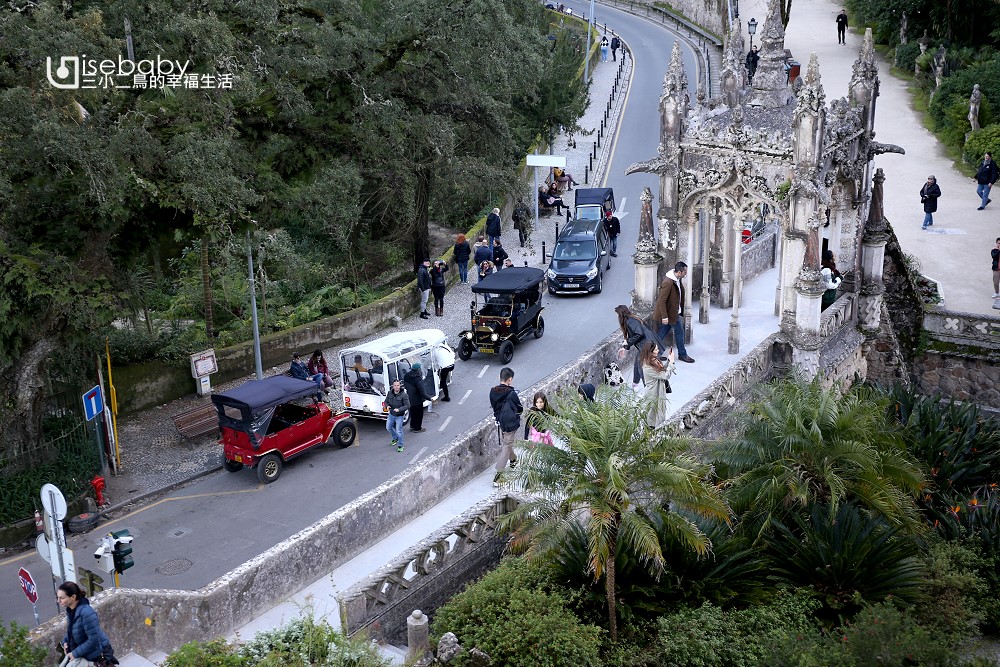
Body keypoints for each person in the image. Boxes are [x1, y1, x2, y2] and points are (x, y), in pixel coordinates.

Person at [58, 581, 117, 666]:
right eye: (58, 597)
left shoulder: (87, 613)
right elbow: (72, 631)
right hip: (86, 655)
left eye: (62, 598)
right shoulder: (71, 611)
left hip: (97, 656)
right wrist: (65, 641)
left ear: (73, 597)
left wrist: (75, 653)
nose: (58, 601)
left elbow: (94, 640)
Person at [615, 304, 670, 386]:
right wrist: (625, 347)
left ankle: (647, 387)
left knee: (642, 367)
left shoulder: (630, 321)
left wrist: (627, 343)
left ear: (620, 314)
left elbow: (639, 334)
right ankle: (635, 384)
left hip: (646, 345)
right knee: (638, 364)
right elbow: (632, 335)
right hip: (647, 343)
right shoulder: (632, 319)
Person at [654, 262, 695, 363]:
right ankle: (682, 354)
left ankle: (653, 354)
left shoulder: (676, 279)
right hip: (671, 314)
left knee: (662, 333)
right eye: (685, 272)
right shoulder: (668, 282)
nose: (686, 274)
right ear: (680, 272)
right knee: (679, 333)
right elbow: (661, 300)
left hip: (672, 313)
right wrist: (664, 317)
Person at [490, 366, 523, 486]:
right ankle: (499, 475)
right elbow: (520, 409)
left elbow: (494, 407)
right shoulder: (512, 393)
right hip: (511, 424)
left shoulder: (492, 391)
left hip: (500, 423)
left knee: (507, 444)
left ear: (499, 377)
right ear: (509, 380)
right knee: (506, 446)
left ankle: (513, 459)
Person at [640, 341, 675, 428]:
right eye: (656, 349)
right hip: (653, 393)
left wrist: (669, 361)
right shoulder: (647, 366)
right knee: (652, 415)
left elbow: (662, 370)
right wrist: (671, 363)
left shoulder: (653, 360)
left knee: (659, 412)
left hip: (658, 391)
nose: (658, 350)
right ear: (650, 352)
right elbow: (665, 375)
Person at [403, 361, 431, 433]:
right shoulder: (418, 379)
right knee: (419, 414)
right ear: (418, 369)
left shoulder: (406, 375)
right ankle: (417, 428)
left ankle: (412, 426)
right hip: (417, 399)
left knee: (413, 413)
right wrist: (429, 398)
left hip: (410, 398)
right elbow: (422, 392)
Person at [385, 379, 409, 452]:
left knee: (399, 431)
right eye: (395, 385)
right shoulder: (390, 393)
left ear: (400, 386)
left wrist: (399, 409)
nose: (396, 387)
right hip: (391, 414)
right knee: (388, 427)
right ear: (393, 386)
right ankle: (395, 438)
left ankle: (400, 445)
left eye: (398, 385)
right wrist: (387, 406)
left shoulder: (404, 395)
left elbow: (407, 405)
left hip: (400, 416)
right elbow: (386, 401)